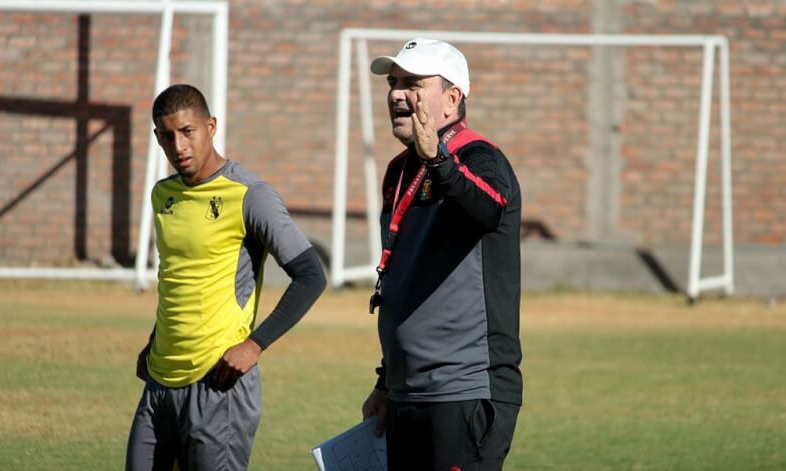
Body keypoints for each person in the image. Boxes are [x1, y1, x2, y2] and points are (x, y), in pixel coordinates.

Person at [125, 84, 326, 470]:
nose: (179, 146)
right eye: (167, 136)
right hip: (160, 381)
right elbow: (180, 280)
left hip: (219, 384)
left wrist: (254, 345)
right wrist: (155, 340)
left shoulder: (250, 194)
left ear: (211, 126)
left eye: (188, 132)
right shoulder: (162, 195)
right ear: (157, 138)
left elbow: (311, 275)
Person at [361, 38, 523, 470]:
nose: (397, 93)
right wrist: (385, 381)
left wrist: (440, 162)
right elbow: (405, 280)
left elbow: (489, 209)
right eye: (393, 83)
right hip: (405, 391)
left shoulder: (479, 156)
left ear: (451, 99)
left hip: (464, 390)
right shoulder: (400, 169)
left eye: (413, 83)